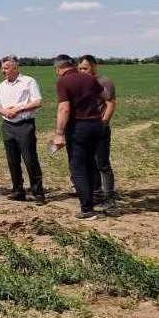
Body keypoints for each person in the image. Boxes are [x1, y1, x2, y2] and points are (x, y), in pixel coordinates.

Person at [50, 54, 106, 219]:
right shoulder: (88, 78)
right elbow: (103, 96)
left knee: (78, 168)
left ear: (58, 69)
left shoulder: (63, 81)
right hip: (96, 125)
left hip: (78, 128)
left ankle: (87, 209)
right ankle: (94, 199)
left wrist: (59, 133)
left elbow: (64, 109)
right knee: (90, 164)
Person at [0, 55, 45, 203]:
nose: (3, 71)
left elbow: (38, 101)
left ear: (15, 67)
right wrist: (5, 112)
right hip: (7, 126)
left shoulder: (28, 82)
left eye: (6, 68)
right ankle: (18, 190)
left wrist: (19, 109)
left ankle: (38, 193)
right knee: (12, 160)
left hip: (25, 125)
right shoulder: (1, 86)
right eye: (2, 68)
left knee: (30, 159)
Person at [78, 54, 117, 203]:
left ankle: (109, 195)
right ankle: (96, 192)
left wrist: (104, 122)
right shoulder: (80, 82)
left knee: (102, 163)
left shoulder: (104, 82)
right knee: (89, 162)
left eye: (85, 68)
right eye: (80, 68)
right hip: (84, 128)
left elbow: (111, 103)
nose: (82, 71)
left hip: (99, 127)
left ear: (94, 66)